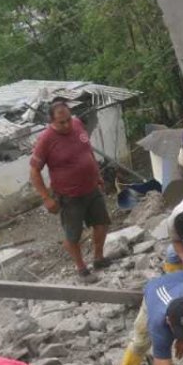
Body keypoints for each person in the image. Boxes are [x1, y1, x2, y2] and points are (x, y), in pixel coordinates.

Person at [29, 100, 111, 278]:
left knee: (102, 224)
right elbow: (34, 171)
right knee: (73, 236)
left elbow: (87, 151)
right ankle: (81, 267)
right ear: (51, 121)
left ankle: (98, 257)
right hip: (69, 196)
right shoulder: (45, 139)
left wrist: (97, 175)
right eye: (61, 122)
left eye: (67, 119)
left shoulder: (77, 124)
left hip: (91, 188)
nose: (66, 125)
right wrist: (46, 198)